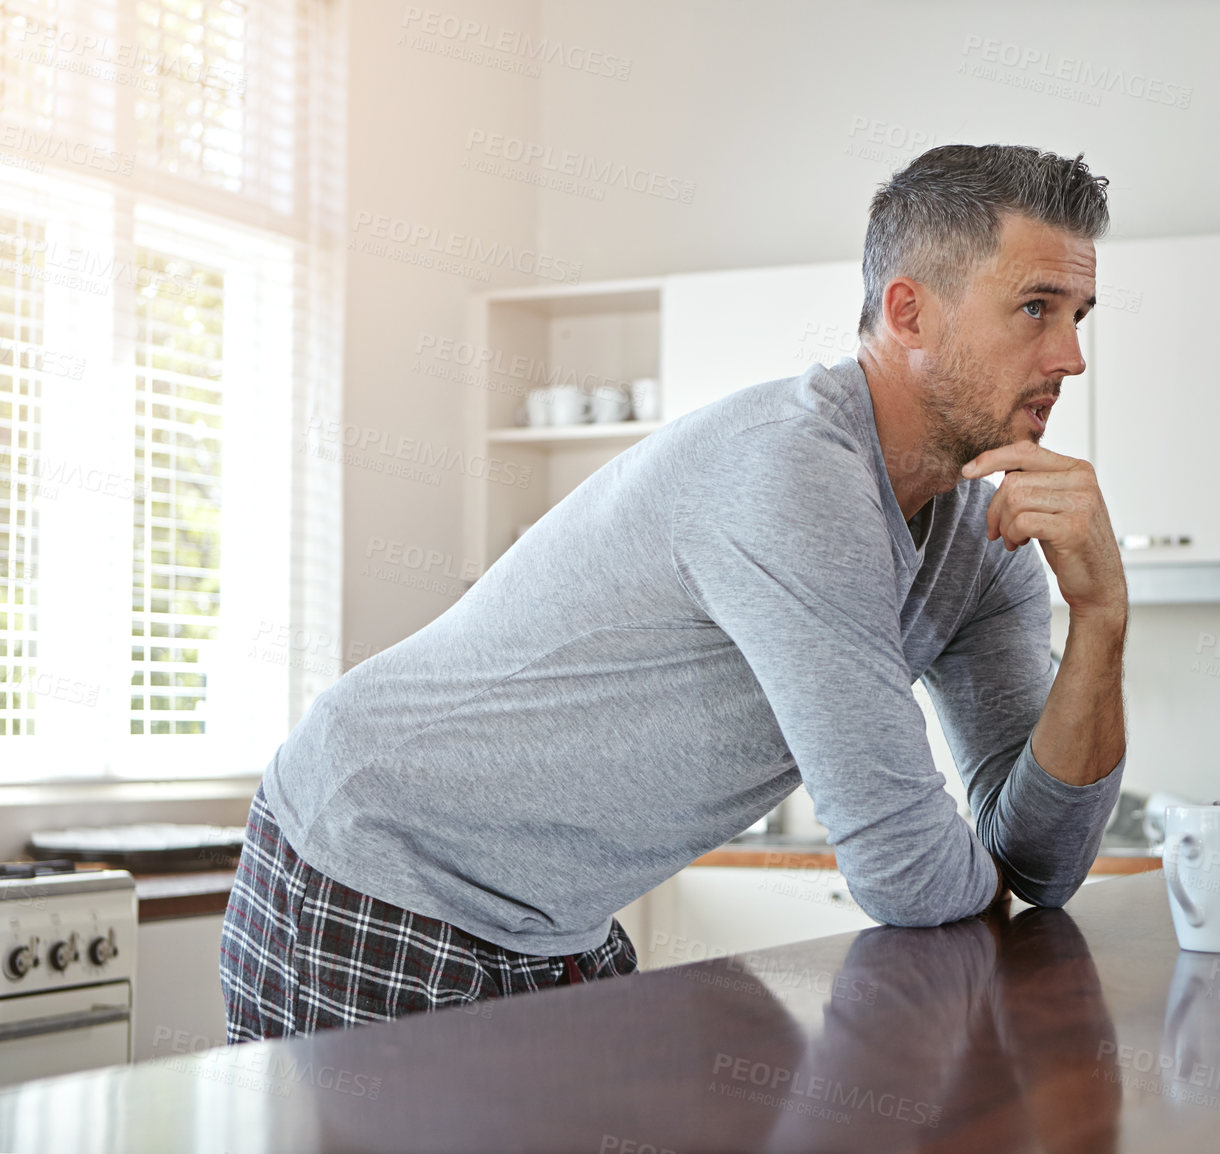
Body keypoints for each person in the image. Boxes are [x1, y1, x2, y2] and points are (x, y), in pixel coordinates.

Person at [219, 143, 1129, 1040]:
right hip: (377, 855)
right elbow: (907, 871)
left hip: (553, 915)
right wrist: (981, 868)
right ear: (909, 313)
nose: (1070, 357)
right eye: (1035, 309)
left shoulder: (990, 532)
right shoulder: (790, 472)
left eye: (1079, 315)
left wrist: (1099, 617)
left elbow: (1042, 866)